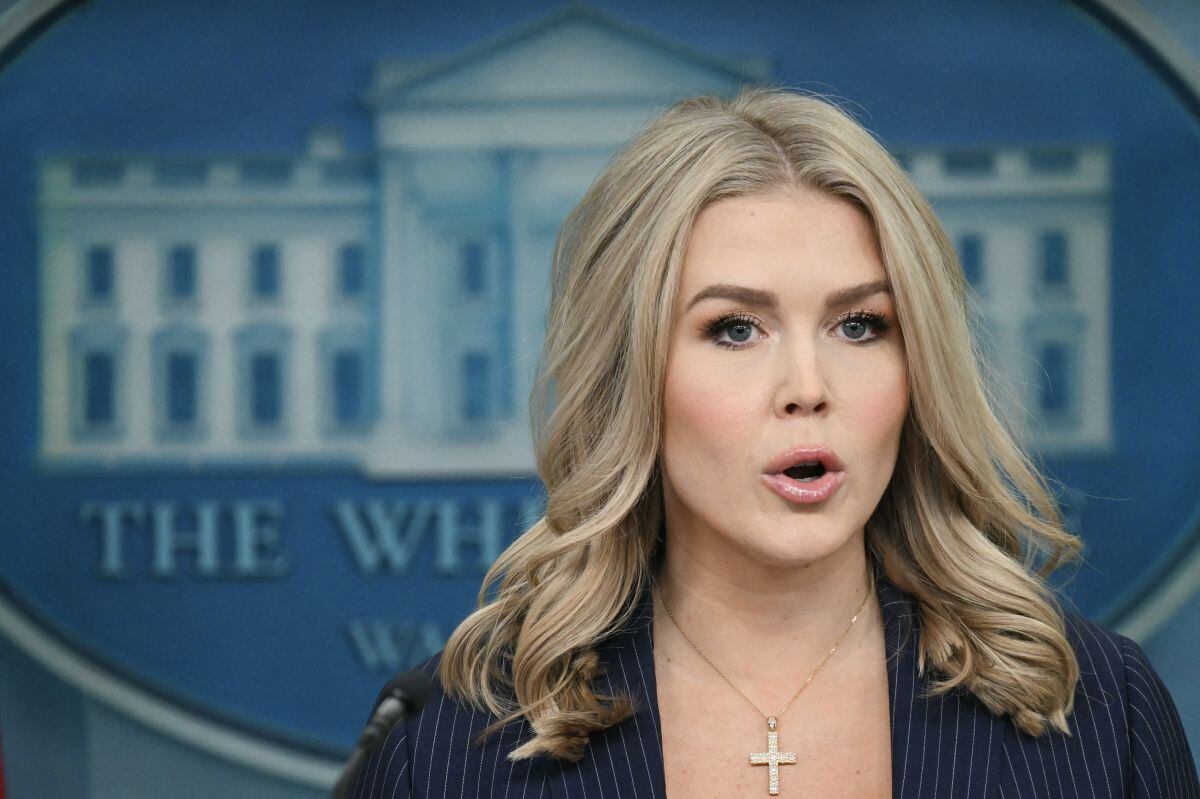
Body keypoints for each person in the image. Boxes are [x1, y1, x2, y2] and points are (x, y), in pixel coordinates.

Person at [348, 87, 1200, 798]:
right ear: (632, 375)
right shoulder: (451, 746)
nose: (807, 385)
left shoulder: (1101, 714)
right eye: (735, 329)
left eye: (860, 325)